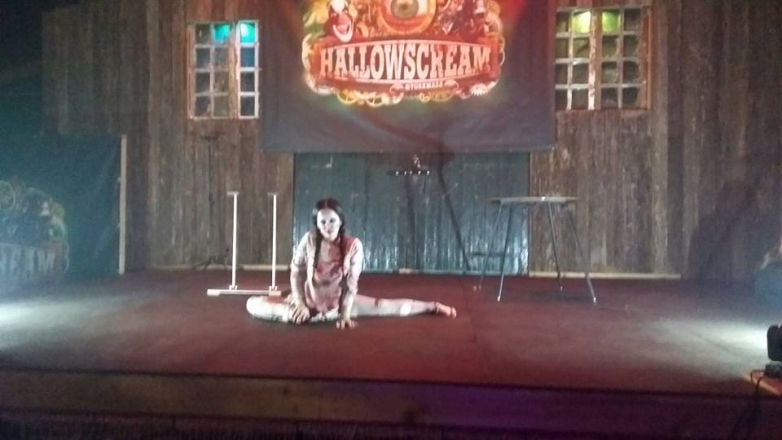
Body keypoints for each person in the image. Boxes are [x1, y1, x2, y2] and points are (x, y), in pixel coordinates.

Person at [246, 198, 457, 329]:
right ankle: (293, 313)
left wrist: (345, 315)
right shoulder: (309, 239)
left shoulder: (353, 245)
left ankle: (432, 306)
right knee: (253, 304)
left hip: (339, 305)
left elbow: (351, 284)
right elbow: (296, 273)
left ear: (340, 221)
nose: (328, 226)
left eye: (332, 221)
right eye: (322, 222)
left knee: (385, 306)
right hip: (308, 302)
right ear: (317, 224)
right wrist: (300, 304)